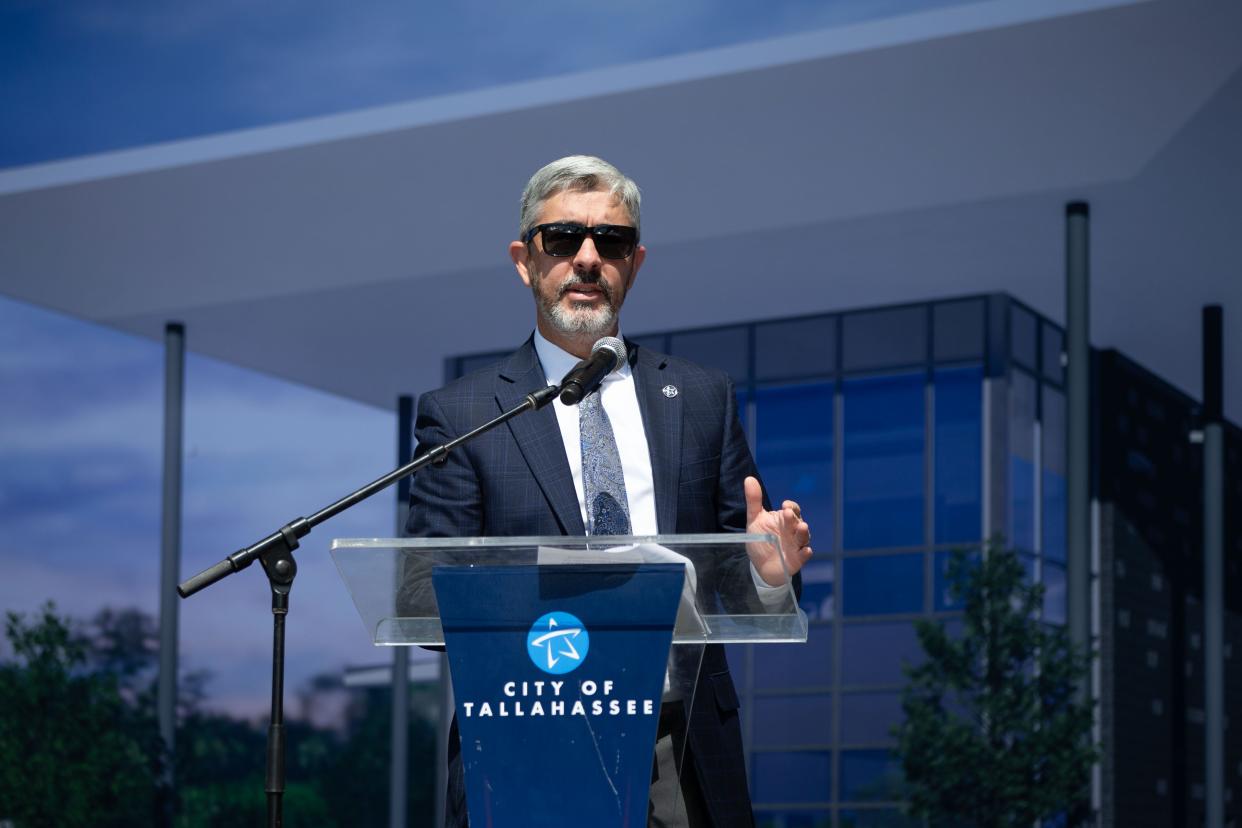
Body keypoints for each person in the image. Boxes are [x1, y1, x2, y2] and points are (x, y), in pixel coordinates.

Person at [405, 155, 812, 827]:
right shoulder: (466, 413)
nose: (589, 258)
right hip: (526, 739)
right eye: (563, 239)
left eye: (611, 241)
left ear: (637, 261)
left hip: (681, 750)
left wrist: (770, 576)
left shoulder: (701, 398)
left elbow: (747, 576)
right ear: (524, 259)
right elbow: (423, 595)